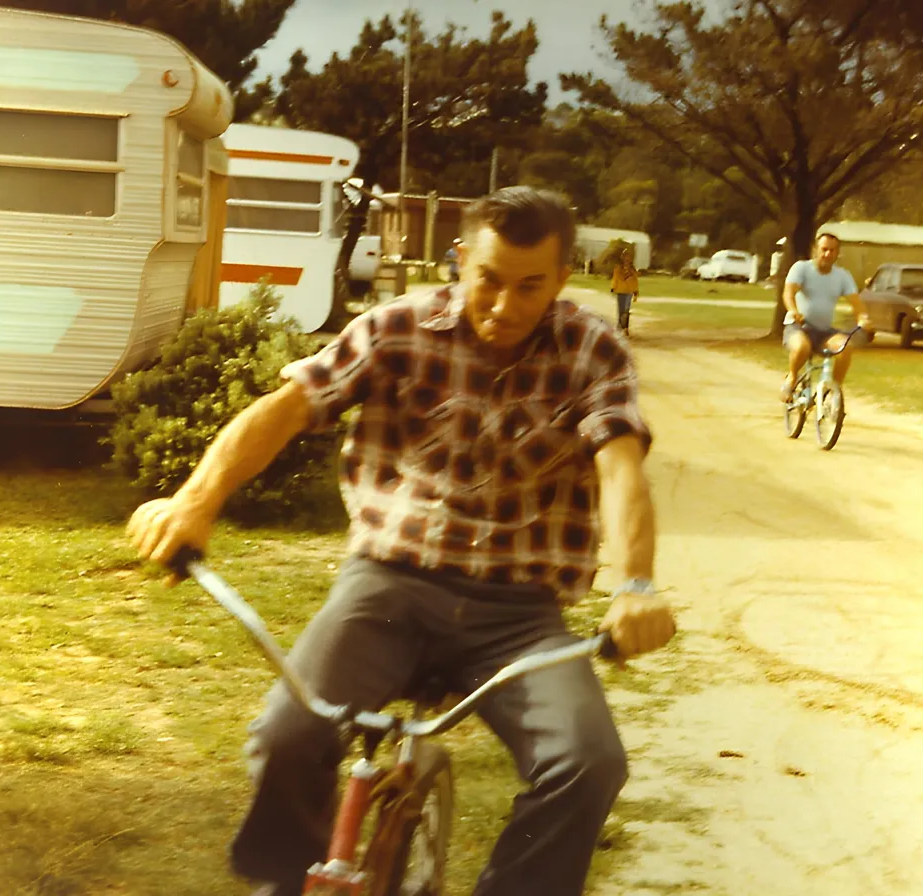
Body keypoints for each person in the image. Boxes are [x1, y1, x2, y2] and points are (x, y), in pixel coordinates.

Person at [126, 186, 677, 896]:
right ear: (460, 261)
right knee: (287, 737)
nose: (505, 306)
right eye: (489, 281)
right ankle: (290, 883)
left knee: (589, 761)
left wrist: (635, 585)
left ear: (564, 277)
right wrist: (195, 501)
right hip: (389, 588)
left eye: (530, 287)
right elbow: (288, 408)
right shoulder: (396, 328)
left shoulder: (593, 349)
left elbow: (621, 468)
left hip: (518, 615)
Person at [780, 232, 873, 403]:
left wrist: (863, 319)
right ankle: (792, 377)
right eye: (824, 249)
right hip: (798, 328)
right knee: (801, 347)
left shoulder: (842, 276)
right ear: (816, 249)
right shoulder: (802, 268)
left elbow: (857, 304)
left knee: (845, 346)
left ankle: (834, 391)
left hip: (823, 331)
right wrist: (793, 311)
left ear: (838, 253)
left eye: (832, 250)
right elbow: (788, 293)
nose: (827, 254)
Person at [609, 247, 639, 335]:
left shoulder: (633, 270)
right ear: (623, 258)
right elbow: (615, 279)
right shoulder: (618, 268)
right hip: (620, 291)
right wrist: (613, 287)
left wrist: (636, 292)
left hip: (629, 292)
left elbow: (635, 282)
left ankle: (625, 328)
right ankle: (619, 326)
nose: (627, 259)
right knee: (620, 310)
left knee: (626, 310)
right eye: (625, 257)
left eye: (628, 257)